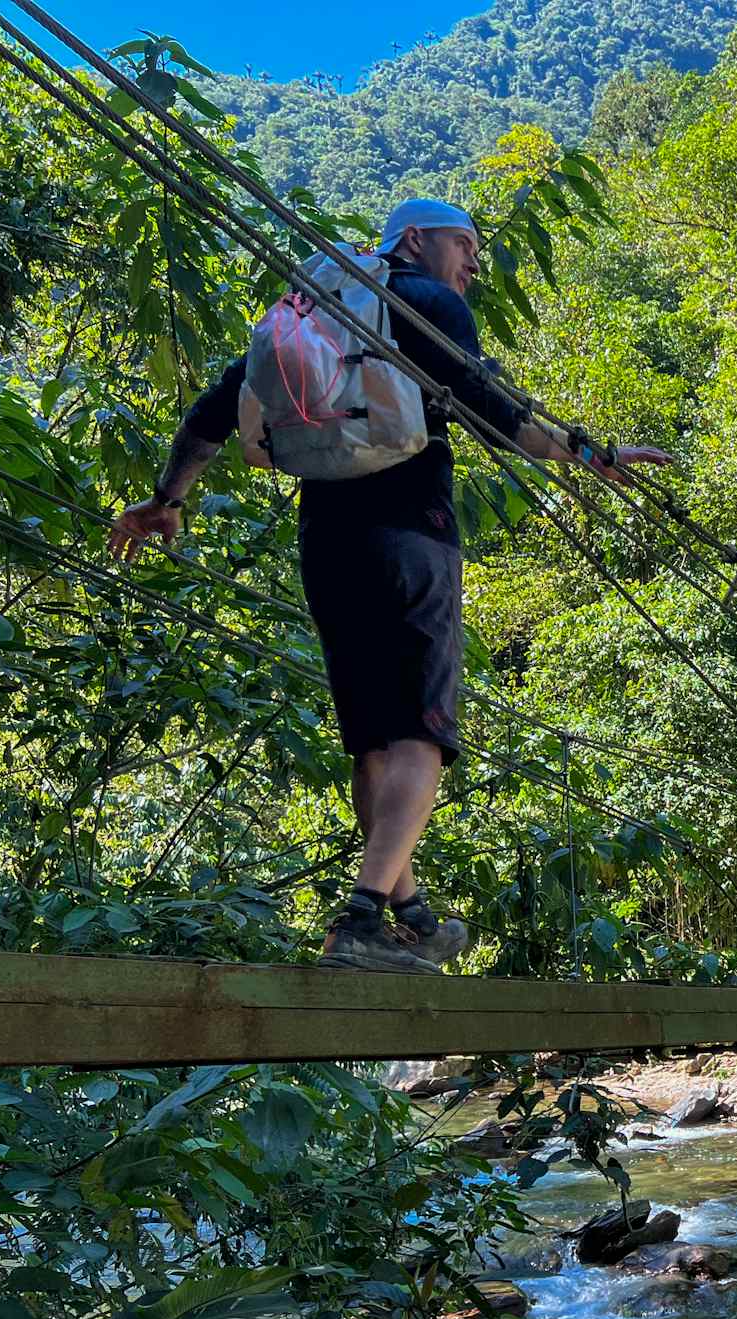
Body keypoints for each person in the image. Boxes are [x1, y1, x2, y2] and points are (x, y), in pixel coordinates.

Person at [109, 198, 670, 973]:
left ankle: (410, 919)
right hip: (412, 530)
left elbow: (214, 411)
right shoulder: (425, 298)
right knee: (421, 734)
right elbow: (495, 412)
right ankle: (362, 922)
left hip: (328, 540)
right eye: (463, 243)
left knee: (373, 738)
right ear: (414, 240)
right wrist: (589, 453)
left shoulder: (313, 311)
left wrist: (165, 500)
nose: (472, 262)